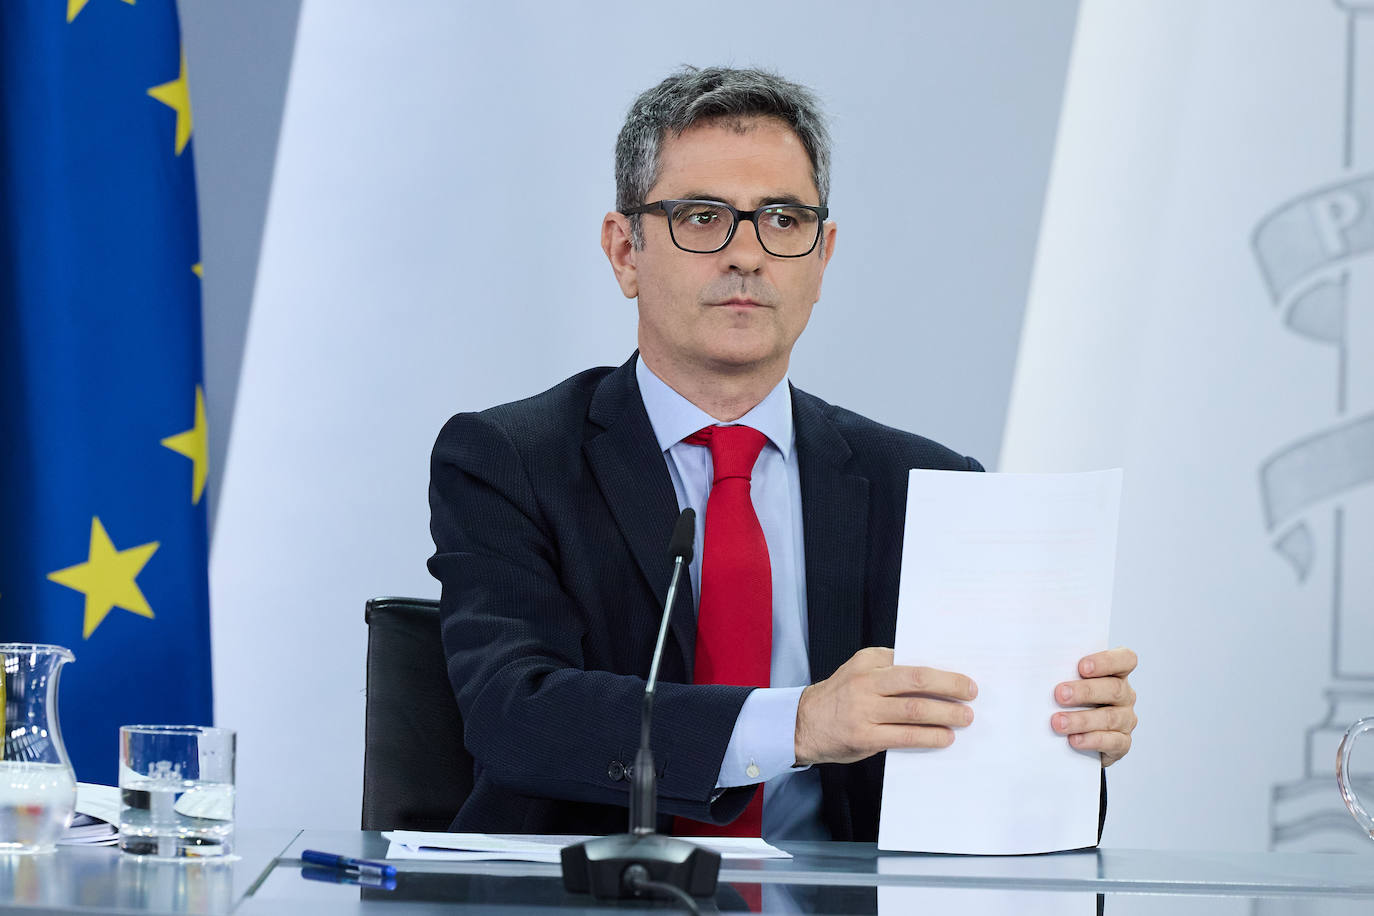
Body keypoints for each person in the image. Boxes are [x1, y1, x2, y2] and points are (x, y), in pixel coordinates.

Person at [428, 66, 1138, 842]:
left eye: (783, 220)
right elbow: (514, 714)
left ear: (822, 256)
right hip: (588, 888)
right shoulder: (509, 461)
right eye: (703, 218)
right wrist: (799, 723)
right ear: (625, 250)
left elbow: (996, 798)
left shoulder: (924, 487)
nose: (747, 255)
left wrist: (1063, 742)